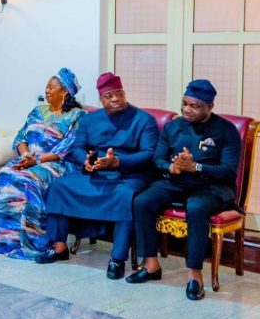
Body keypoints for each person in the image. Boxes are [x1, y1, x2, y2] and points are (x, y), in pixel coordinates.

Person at [127, 79, 242, 300]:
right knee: (142, 201)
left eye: (195, 106)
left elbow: (228, 171)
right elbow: (157, 159)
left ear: (210, 107)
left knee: (197, 207)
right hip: (177, 181)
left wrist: (196, 167)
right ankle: (151, 265)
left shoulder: (226, 131)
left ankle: (194, 275)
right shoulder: (173, 126)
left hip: (213, 187)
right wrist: (171, 167)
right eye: (185, 104)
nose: (187, 110)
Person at [37, 73, 160, 278]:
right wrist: (85, 159)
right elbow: (77, 148)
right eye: (109, 96)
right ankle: (59, 247)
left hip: (129, 175)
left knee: (124, 196)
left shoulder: (144, 120)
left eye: (119, 94)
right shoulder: (90, 119)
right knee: (60, 186)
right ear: (101, 99)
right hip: (96, 173)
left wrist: (118, 161)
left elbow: (150, 154)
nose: (115, 99)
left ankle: (117, 259)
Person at [0, 68, 85, 260]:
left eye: (51, 87)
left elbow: (68, 147)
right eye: (46, 87)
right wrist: (26, 155)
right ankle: (7, 238)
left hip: (57, 164)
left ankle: (33, 240)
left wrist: (36, 161)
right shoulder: (37, 111)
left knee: (29, 179)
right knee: (6, 175)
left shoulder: (77, 116)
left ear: (65, 92)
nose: (47, 90)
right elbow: (21, 136)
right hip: (29, 160)